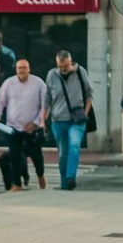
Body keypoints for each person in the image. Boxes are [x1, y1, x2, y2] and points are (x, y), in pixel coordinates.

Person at [0, 58, 49, 192]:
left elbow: (45, 104)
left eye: (24, 68)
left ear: (29, 69)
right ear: (16, 69)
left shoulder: (38, 83)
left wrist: (37, 122)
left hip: (32, 128)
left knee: (36, 156)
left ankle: (40, 175)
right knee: (14, 156)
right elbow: (0, 101)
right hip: (13, 127)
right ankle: (17, 183)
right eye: (19, 68)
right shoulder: (9, 83)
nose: (22, 71)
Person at [45, 50, 94, 190]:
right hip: (58, 120)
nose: (63, 69)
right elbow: (47, 98)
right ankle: (64, 183)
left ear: (70, 62)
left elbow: (89, 94)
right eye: (60, 66)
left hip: (77, 120)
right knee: (63, 153)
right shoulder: (52, 75)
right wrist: (43, 119)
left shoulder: (80, 72)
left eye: (65, 66)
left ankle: (71, 177)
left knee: (74, 145)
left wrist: (85, 113)